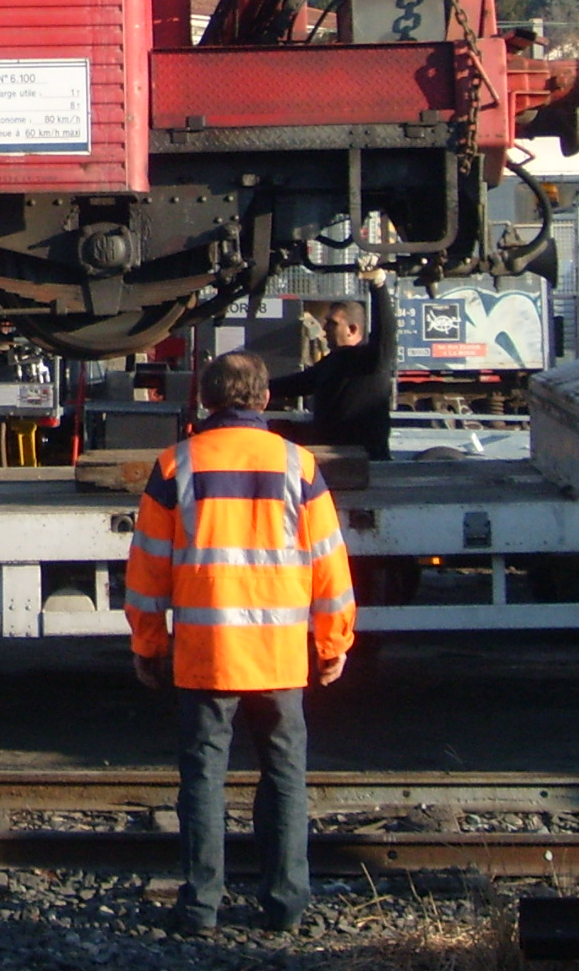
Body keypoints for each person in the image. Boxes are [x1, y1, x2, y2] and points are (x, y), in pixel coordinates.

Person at [127, 349, 356, 937]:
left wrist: (149, 645)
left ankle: (200, 907)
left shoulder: (176, 465)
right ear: (265, 398)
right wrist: (333, 643)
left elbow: (148, 568)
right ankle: (285, 906)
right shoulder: (298, 465)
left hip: (207, 654)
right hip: (279, 656)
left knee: (203, 778)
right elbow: (330, 565)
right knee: (285, 777)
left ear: (206, 400)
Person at [280, 282, 395, 461]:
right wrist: (251, 386)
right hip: (331, 463)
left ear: (352, 330)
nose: (324, 328)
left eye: (332, 323)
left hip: (367, 466)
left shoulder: (370, 361)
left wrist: (378, 286)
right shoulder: (331, 363)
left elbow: (386, 332)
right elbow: (292, 385)